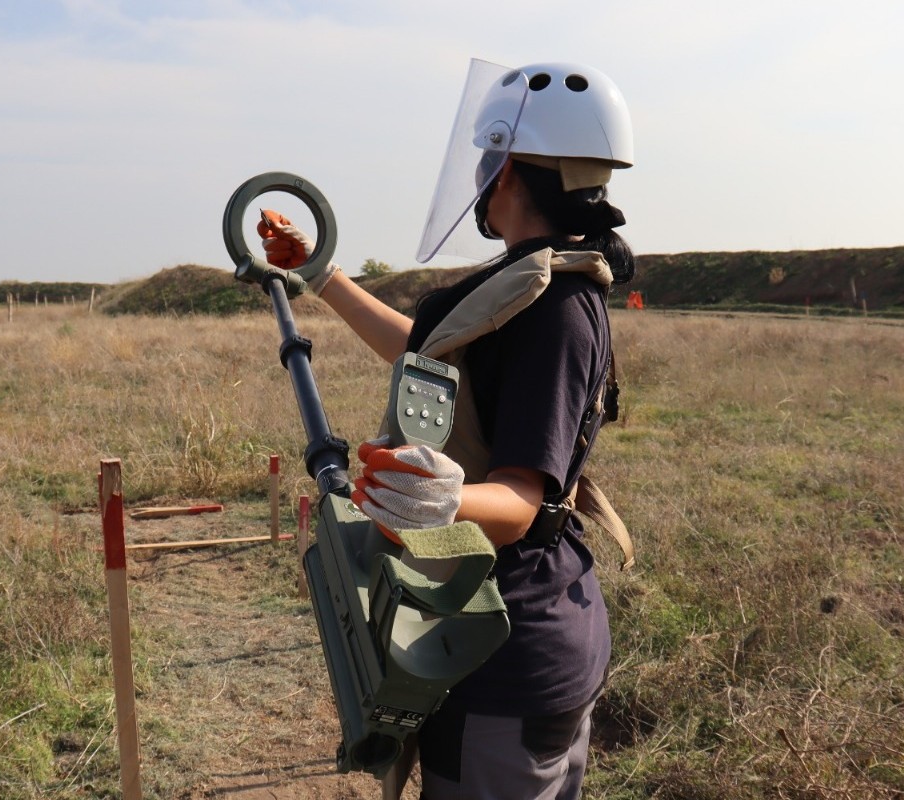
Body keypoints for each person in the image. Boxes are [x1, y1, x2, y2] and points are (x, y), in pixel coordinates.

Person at [258, 59, 635, 800]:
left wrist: (445, 498)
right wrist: (319, 273)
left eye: (488, 159)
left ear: (508, 174)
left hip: (505, 652)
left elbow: (522, 501)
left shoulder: (556, 310)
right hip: (518, 637)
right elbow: (425, 353)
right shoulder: (524, 283)